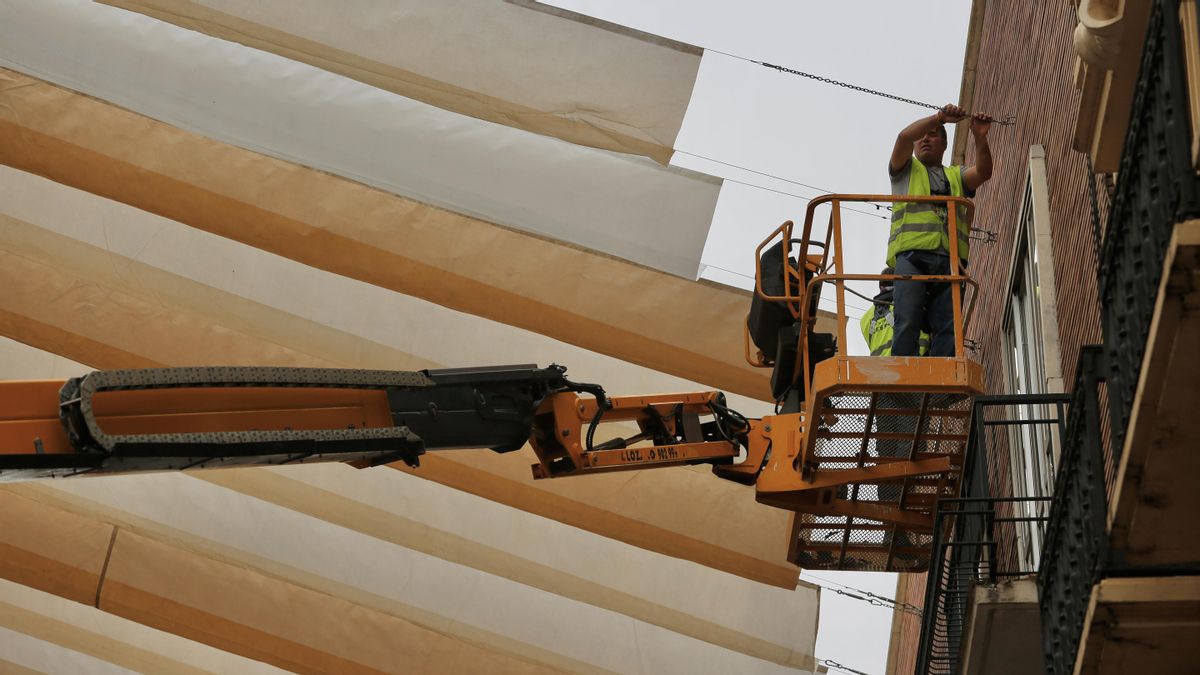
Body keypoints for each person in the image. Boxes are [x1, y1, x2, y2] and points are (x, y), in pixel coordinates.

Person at [888, 103, 993, 357]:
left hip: (949, 260)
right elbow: (903, 137)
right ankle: (902, 373)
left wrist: (979, 137)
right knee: (908, 319)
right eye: (922, 136)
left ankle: (942, 375)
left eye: (933, 135)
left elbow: (983, 172)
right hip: (912, 257)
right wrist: (939, 118)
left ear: (945, 145)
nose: (925, 139)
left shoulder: (955, 176)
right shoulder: (905, 170)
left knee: (948, 327)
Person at [860, 267, 928, 357]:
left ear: (881, 286)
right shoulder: (910, 302)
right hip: (914, 361)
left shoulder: (865, 319)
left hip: (879, 365)